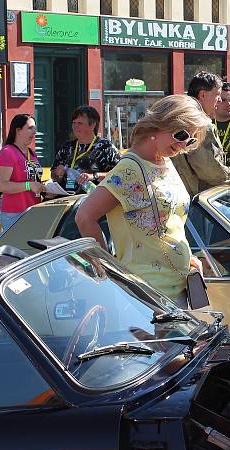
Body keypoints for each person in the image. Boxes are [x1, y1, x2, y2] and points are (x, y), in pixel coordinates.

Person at [76, 95, 209, 307]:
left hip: (179, 287)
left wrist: (187, 256)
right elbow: (84, 216)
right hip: (146, 294)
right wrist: (107, 268)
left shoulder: (164, 160)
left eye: (190, 140)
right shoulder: (129, 169)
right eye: (181, 134)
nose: (183, 144)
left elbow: (170, 221)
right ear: (160, 123)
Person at [171, 71, 230, 196]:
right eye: (217, 95)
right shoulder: (201, 124)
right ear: (202, 95)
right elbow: (214, 176)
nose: (219, 100)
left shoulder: (177, 117)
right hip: (197, 205)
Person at [0, 114, 50, 231]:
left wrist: (45, 188)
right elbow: (2, 186)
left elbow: (34, 182)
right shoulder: (7, 152)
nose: (34, 132)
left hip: (33, 212)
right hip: (14, 215)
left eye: (35, 128)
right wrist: (29, 185)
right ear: (18, 130)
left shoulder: (31, 153)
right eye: (30, 128)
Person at [52, 105, 121, 193]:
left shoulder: (105, 147)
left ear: (92, 125)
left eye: (79, 123)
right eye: (73, 122)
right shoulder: (67, 147)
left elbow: (120, 175)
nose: (75, 126)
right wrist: (57, 174)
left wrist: (94, 176)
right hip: (67, 199)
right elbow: (53, 175)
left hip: (93, 201)